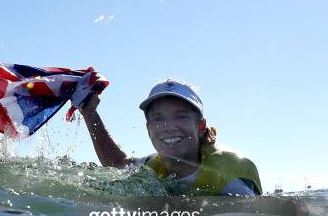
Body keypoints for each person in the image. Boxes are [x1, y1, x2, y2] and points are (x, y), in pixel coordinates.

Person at [80, 79, 262, 196]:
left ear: (201, 127)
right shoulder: (153, 166)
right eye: (158, 119)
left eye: (180, 116)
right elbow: (117, 163)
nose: (168, 126)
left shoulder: (230, 176)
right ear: (148, 130)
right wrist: (89, 112)